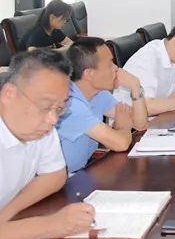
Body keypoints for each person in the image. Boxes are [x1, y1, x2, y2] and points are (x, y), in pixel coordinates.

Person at [0, 50, 95, 239]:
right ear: (9, 94)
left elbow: (55, 175)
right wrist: (51, 226)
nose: (53, 120)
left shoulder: (40, 126)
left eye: (59, 109)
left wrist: (9, 210)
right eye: (45, 106)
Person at [57, 38, 149, 173]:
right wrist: (123, 127)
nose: (116, 68)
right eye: (110, 64)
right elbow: (121, 144)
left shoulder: (98, 93)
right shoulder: (70, 105)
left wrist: (135, 86)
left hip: (84, 170)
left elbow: (140, 124)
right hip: (64, 180)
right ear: (90, 74)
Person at [113, 20, 175, 114]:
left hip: (160, 117)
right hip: (131, 123)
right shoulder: (147, 59)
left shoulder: (174, 56)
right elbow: (147, 106)